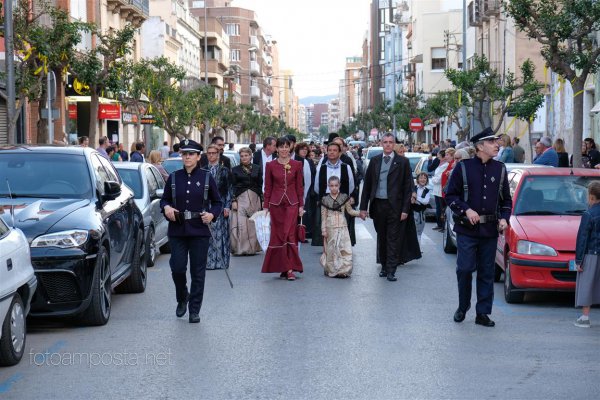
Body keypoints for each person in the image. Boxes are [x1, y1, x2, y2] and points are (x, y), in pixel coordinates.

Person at [445, 127, 512, 327]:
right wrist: (466, 210)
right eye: (492, 142)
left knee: (486, 273)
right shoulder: (463, 167)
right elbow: (450, 196)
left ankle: (482, 313)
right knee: (464, 269)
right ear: (480, 146)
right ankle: (462, 306)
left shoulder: (500, 169)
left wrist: (504, 218)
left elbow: (506, 200)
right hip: (467, 230)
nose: (497, 145)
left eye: (497, 142)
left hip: (490, 230)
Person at [160, 139, 223, 323]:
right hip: (178, 230)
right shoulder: (173, 177)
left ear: (198, 156)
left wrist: (212, 214)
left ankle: (194, 310)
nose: (187, 157)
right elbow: (164, 200)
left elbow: (218, 202)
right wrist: (166, 208)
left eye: (191, 154)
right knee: (177, 268)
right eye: (184, 154)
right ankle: (182, 297)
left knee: (198, 272)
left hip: (199, 230)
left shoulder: (206, 177)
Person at [359, 133, 421, 282]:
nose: (388, 144)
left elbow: (407, 188)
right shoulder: (374, 161)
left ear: (394, 144)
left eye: (390, 142)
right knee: (382, 237)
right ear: (381, 143)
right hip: (378, 205)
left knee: (393, 238)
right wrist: (363, 208)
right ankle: (384, 266)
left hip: (395, 206)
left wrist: (405, 210)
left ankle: (392, 270)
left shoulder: (403, 162)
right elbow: (367, 186)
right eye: (385, 142)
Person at [261, 136, 304, 281]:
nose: (284, 149)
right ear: (277, 149)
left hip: (292, 203)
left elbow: (299, 186)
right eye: (281, 147)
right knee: (278, 236)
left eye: (287, 146)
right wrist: (266, 206)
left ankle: (290, 268)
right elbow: (268, 187)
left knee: (289, 233)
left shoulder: (297, 164)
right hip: (275, 204)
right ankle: (284, 267)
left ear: (290, 148)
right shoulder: (270, 165)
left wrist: (301, 205)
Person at [312, 142, 355, 247]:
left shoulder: (346, 167)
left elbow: (351, 185)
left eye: (335, 150)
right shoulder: (322, 168)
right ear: (326, 152)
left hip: (341, 201)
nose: (331, 152)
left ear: (339, 152)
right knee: (327, 227)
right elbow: (317, 186)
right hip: (326, 201)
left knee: (341, 226)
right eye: (329, 150)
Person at [320, 176, 361, 278]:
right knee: (331, 249)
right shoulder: (325, 199)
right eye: (332, 186)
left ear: (339, 186)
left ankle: (343, 270)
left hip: (342, 226)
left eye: (336, 185)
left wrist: (360, 214)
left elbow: (350, 211)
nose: (334, 188)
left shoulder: (344, 197)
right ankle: (332, 270)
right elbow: (323, 216)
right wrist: (323, 230)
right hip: (330, 227)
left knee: (345, 249)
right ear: (328, 186)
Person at [573, 181, 600, 328]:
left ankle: (585, 317)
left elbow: (582, 238)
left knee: (586, 284)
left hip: (591, 254)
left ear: (591, 197)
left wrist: (578, 260)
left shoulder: (588, 214)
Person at [204, 144, 233, 270]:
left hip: (220, 205)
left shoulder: (225, 170)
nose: (211, 155)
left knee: (221, 234)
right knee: (208, 234)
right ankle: (209, 262)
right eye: (209, 153)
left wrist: (227, 206)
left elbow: (229, 190)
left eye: (213, 153)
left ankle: (221, 262)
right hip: (206, 206)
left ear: (218, 154)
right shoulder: (202, 171)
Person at [230, 147, 263, 256]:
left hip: (255, 198)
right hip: (241, 198)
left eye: (246, 155)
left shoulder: (257, 168)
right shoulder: (235, 169)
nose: (244, 158)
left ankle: (252, 248)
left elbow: (260, 185)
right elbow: (232, 186)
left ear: (250, 156)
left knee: (253, 224)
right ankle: (241, 248)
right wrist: (233, 200)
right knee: (242, 224)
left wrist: (262, 200)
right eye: (242, 156)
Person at [431, 150, 449, 231]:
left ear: (443, 157)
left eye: (438, 156)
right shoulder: (440, 164)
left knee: (442, 208)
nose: (437, 158)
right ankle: (439, 224)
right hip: (436, 189)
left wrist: (433, 179)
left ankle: (442, 225)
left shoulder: (446, 165)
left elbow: (440, 178)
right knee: (438, 208)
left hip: (440, 189)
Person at [411, 172, 431, 246]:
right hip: (412, 212)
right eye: (421, 178)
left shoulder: (427, 191)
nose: (423, 179)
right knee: (411, 231)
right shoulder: (413, 188)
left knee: (419, 232)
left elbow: (425, 201)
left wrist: (415, 197)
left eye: (425, 178)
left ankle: (418, 248)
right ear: (418, 179)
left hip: (421, 214)